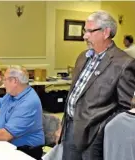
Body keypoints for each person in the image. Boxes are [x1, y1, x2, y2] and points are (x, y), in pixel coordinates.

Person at [58, 10, 135, 160]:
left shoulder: (124, 63)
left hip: (93, 136)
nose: (84, 36)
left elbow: (125, 108)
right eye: (84, 31)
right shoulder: (82, 57)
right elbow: (74, 95)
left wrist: (101, 129)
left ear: (105, 32)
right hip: (70, 127)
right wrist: (63, 125)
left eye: (89, 31)